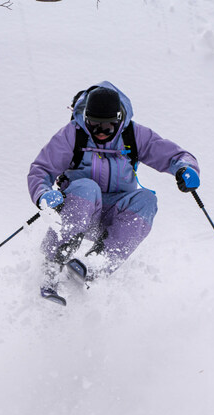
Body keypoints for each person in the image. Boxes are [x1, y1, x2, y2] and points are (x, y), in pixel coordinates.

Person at [27, 81, 201, 299]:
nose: (99, 132)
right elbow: (41, 169)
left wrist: (186, 168)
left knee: (147, 200)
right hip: (80, 209)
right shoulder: (73, 134)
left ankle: (95, 265)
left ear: (118, 120)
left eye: (107, 127)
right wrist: (43, 195)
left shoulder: (133, 135)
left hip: (114, 215)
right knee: (88, 187)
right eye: (93, 125)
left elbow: (175, 155)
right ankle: (51, 266)